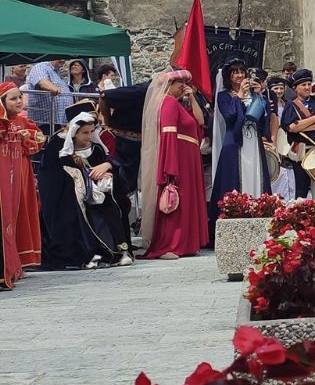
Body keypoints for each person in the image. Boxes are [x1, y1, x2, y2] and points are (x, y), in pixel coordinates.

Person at [38, 108, 133, 270]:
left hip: (99, 194)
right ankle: (92, 252)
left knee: (111, 205)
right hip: (70, 197)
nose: (89, 136)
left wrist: (107, 166)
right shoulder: (58, 147)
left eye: (91, 132)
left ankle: (119, 250)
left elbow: (111, 163)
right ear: (74, 132)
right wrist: (85, 178)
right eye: (85, 133)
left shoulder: (96, 148)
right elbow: (51, 176)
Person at [140, 69, 208, 260]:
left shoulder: (178, 104)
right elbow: (168, 136)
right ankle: (169, 244)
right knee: (175, 200)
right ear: (169, 85)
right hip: (179, 159)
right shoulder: (168, 103)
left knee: (187, 201)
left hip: (189, 159)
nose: (183, 87)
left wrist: (191, 98)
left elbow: (200, 121)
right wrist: (170, 166)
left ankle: (186, 243)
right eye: (180, 83)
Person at [209, 61, 272, 218]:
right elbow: (229, 116)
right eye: (235, 72)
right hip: (235, 140)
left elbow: (264, 118)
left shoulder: (255, 95)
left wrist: (259, 96)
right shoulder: (223, 96)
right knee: (234, 176)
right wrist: (239, 97)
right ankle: (235, 211)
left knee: (256, 172)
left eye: (242, 72)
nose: (240, 75)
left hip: (254, 141)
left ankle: (258, 208)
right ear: (228, 76)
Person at [0, 78, 43, 288]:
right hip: (5, 175)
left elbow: (39, 140)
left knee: (21, 215)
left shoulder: (23, 122)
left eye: (20, 97)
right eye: (13, 98)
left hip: (21, 174)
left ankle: (19, 263)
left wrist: (24, 139)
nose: (19, 101)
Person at [282, 70, 315, 198]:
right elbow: (291, 127)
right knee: (301, 188)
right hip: (301, 151)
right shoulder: (290, 106)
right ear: (295, 88)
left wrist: (303, 127)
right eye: (303, 85)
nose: (307, 87)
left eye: (308, 84)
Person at [25, 57, 71, 147]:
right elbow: (42, 82)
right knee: (43, 150)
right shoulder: (41, 66)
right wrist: (54, 88)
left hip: (57, 124)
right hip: (44, 124)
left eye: (65, 58)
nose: (63, 60)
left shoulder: (56, 72)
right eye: (60, 56)